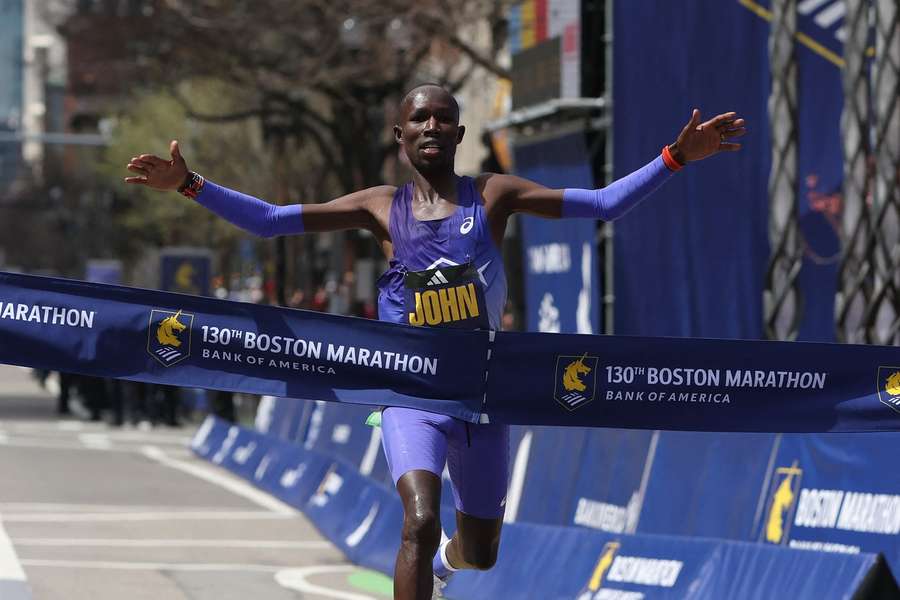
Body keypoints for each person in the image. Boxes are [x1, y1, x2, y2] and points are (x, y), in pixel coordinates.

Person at [124, 84, 745, 600]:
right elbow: (268, 221)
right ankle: (430, 560)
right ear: (399, 136)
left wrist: (676, 157)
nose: (431, 125)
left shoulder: (494, 196)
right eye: (418, 117)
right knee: (418, 522)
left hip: (481, 398)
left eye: (443, 118)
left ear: (458, 134)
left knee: (479, 551)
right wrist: (189, 184)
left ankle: (448, 569)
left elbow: (604, 205)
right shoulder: (377, 208)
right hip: (411, 395)